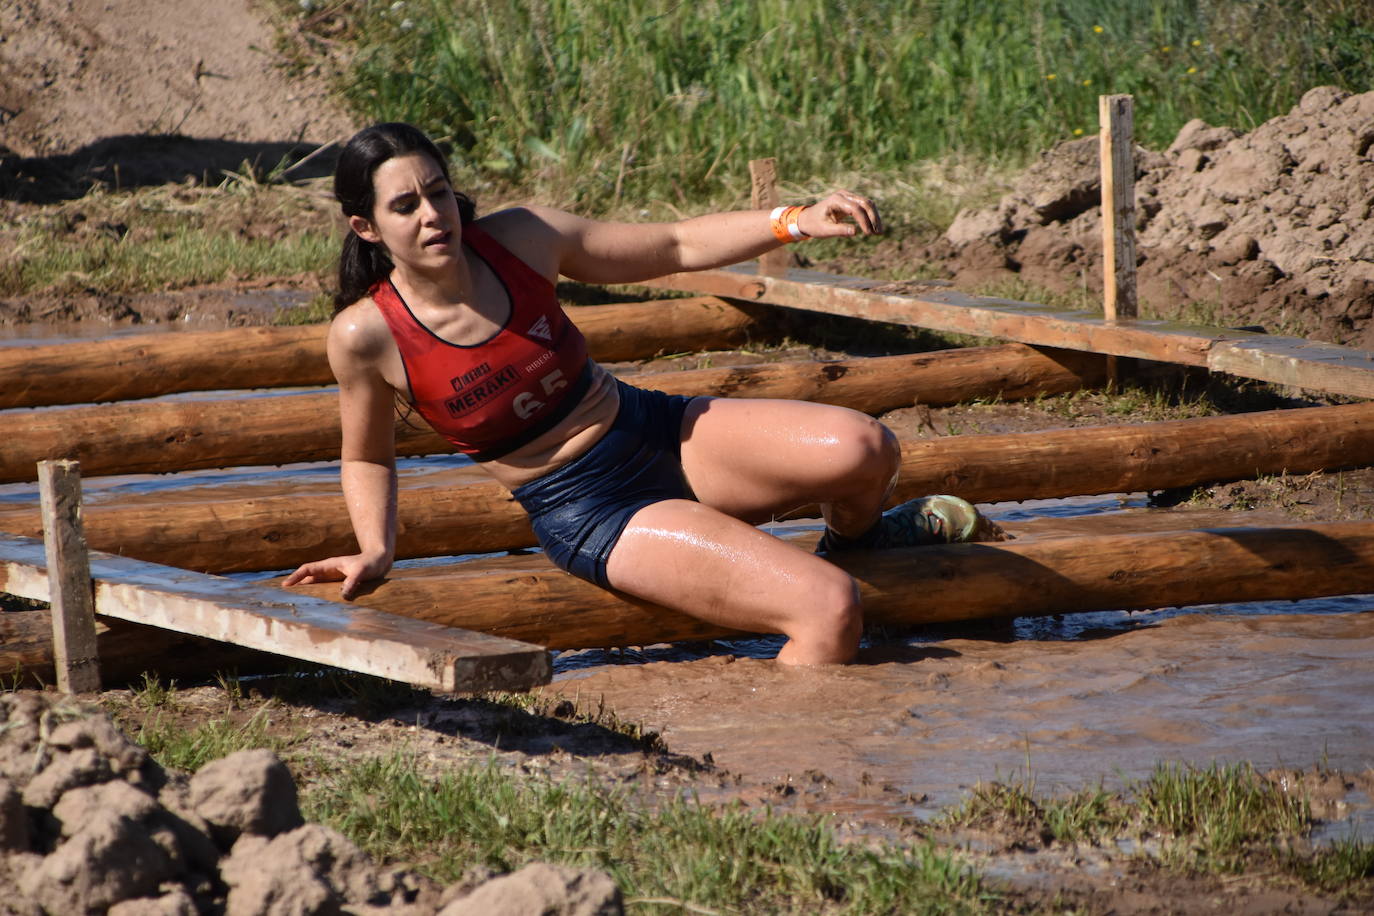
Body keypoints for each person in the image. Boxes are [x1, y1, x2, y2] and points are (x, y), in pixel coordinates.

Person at [284, 122, 1005, 665]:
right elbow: (369, 456)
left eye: (438, 192)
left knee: (866, 447)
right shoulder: (365, 335)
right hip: (590, 505)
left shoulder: (520, 239)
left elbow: (673, 245)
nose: (433, 215)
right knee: (826, 607)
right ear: (367, 225)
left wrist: (793, 219)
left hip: (650, 427)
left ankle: (860, 543)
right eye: (405, 205)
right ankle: (791, 782)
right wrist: (374, 550)